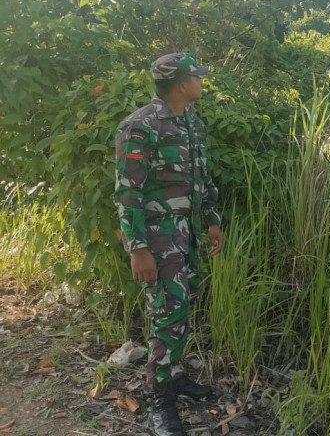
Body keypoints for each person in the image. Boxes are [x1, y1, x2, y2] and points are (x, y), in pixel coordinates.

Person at [114, 52, 224, 436]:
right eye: (197, 76)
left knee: (182, 306)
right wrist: (138, 248)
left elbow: (202, 176)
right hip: (158, 238)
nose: (202, 81)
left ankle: (173, 375)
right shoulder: (140, 126)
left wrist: (212, 221)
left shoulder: (192, 122)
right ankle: (159, 400)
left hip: (187, 232)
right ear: (181, 84)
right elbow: (128, 193)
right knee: (167, 312)